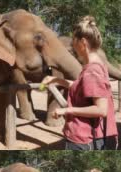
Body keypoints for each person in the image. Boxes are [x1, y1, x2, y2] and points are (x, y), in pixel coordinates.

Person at [41, 16, 118, 150]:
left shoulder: (92, 71)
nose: (73, 46)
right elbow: (83, 89)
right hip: (90, 136)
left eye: (74, 42)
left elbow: (101, 109)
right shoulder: (94, 66)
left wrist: (66, 110)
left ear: (82, 42)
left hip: (86, 139)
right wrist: (57, 80)